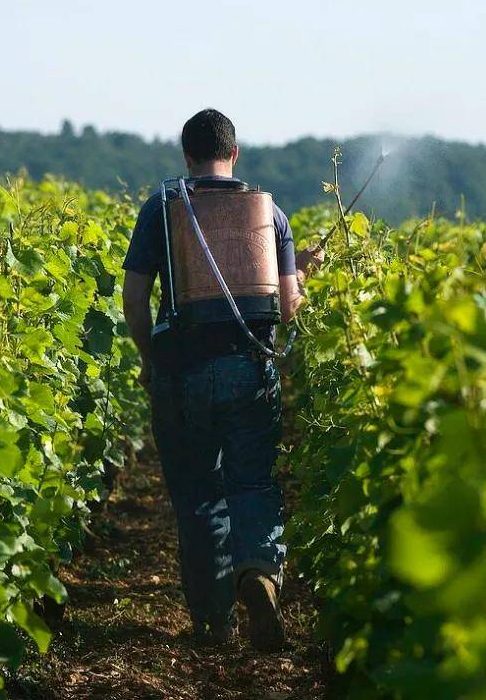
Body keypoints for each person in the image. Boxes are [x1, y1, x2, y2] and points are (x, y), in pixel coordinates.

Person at [121, 109, 324, 650]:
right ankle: (258, 572)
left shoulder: (162, 208)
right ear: (235, 154)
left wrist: (148, 357)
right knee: (253, 482)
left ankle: (213, 623)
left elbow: (134, 298)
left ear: (186, 156)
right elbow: (286, 308)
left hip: (181, 370)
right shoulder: (269, 212)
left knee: (199, 496)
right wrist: (301, 272)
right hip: (249, 370)